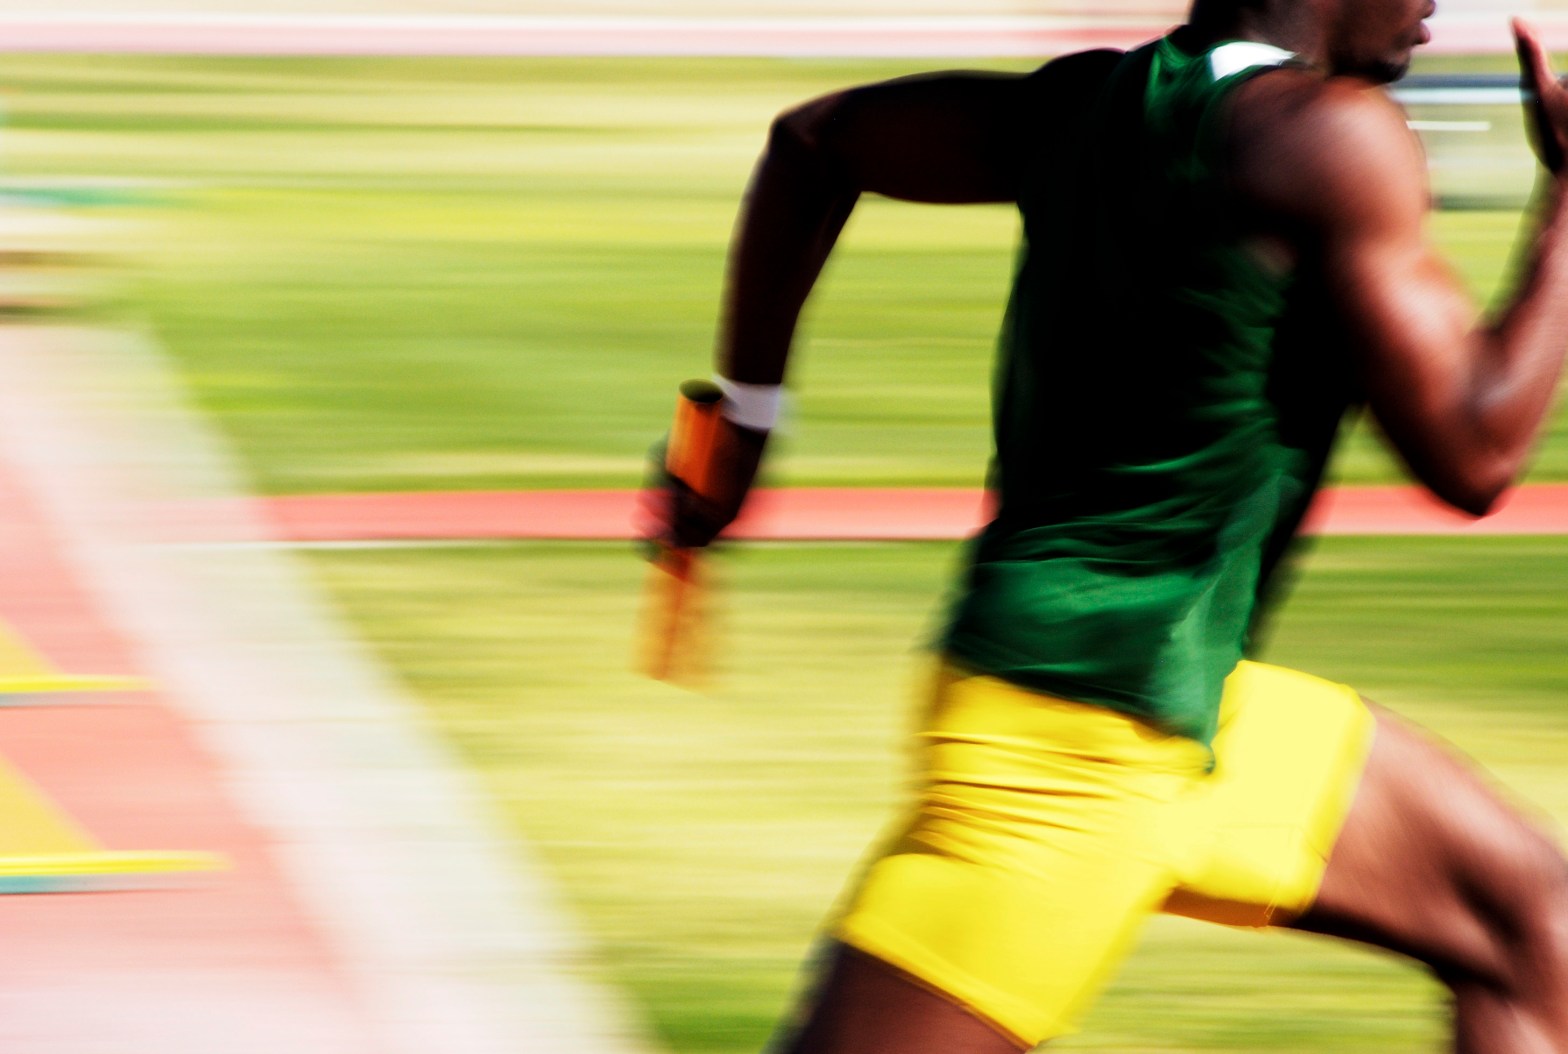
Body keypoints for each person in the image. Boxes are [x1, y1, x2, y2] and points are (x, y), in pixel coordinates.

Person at [655, 0, 1568, 1049]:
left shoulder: (1090, 104)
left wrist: (743, 426)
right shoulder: (1333, 136)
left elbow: (816, 143)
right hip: (1065, 758)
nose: (1432, 1)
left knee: (1533, 922)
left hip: (1189, 706)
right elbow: (1474, 454)